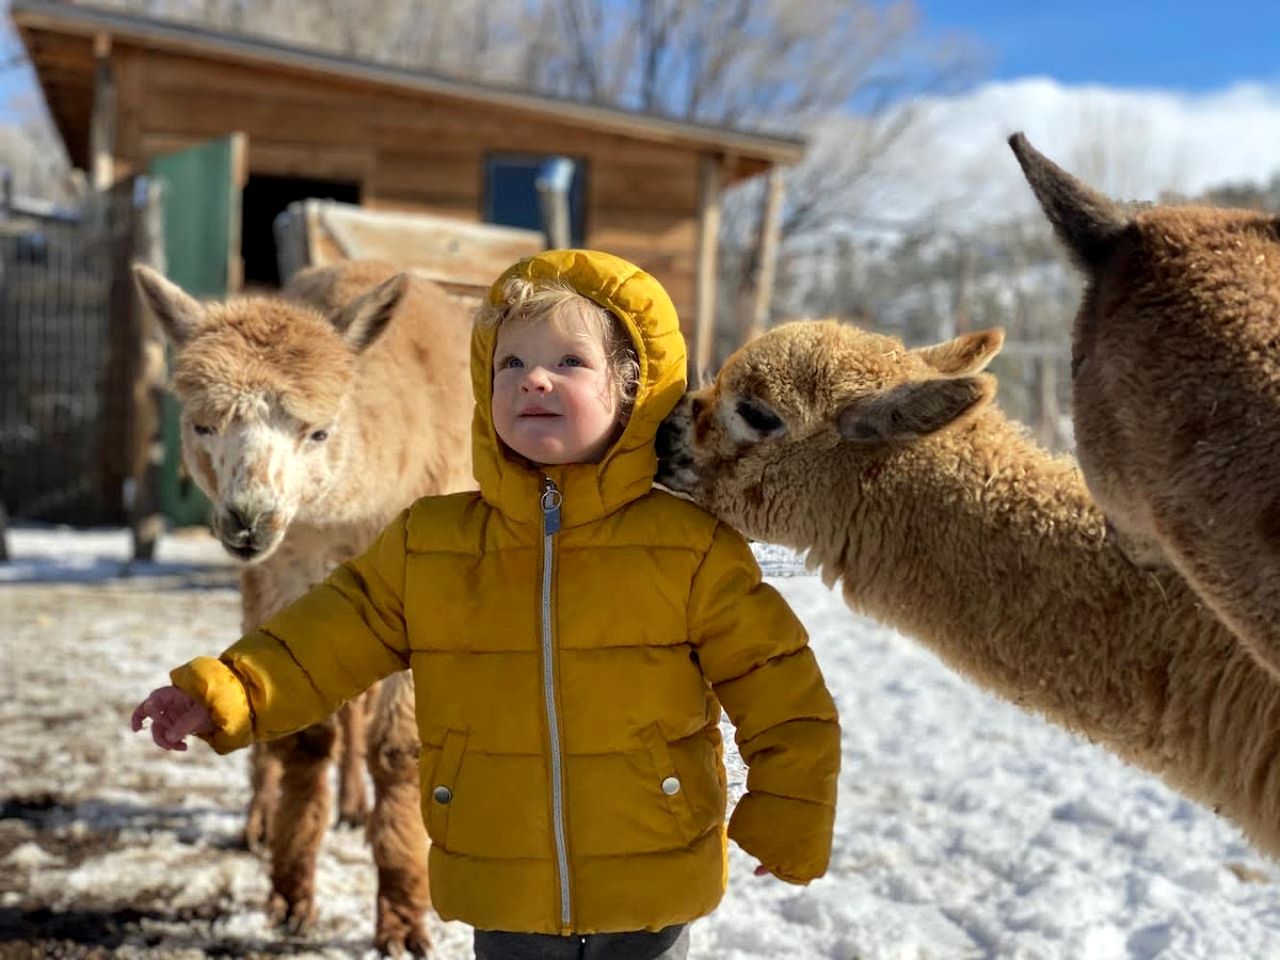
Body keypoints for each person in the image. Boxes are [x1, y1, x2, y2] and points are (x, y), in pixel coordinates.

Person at [132, 249, 841, 960]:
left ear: (634, 387)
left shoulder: (692, 547)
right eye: (509, 364)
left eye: (568, 362)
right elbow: (322, 640)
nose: (534, 376)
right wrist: (227, 690)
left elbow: (778, 683)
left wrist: (791, 805)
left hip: (651, 882)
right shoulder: (433, 541)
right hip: (504, 879)